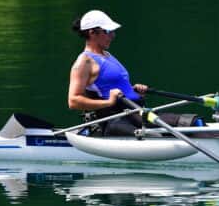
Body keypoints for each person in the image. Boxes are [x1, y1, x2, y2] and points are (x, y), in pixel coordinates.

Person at [67, 9, 197, 136]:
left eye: (113, 31)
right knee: (163, 133)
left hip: (135, 114)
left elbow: (111, 87)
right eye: (108, 31)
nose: (113, 35)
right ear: (92, 33)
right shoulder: (84, 62)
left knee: (192, 122)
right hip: (115, 121)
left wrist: (133, 90)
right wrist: (108, 102)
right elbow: (73, 101)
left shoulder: (107, 55)